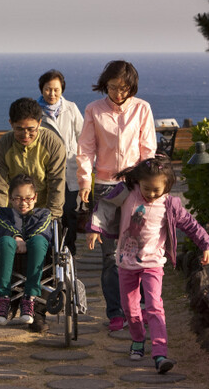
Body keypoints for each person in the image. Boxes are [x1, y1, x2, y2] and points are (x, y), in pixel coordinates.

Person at [86, 156, 209, 374]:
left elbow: (190, 224)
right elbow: (104, 205)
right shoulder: (127, 194)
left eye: (156, 190)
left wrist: (205, 243)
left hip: (153, 263)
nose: (151, 194)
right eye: (146, 188)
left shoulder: (170, 204)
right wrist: (95, 229)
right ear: (138, 182)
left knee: (154, 306)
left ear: (167, 186)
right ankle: (138, 339)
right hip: (126, 262)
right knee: (130, 309)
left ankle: (160, 353)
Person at [76, 60, 157, 331]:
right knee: (110, 255)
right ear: (104, 85)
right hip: (105, 186)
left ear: (131, 87)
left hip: (136, 186)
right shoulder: (93, 110)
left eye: (124, 89)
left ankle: (142, 307)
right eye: (112, 88)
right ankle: (115, 312)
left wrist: (147, 185)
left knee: (140, 248)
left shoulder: (142, 108)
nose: (118, 94)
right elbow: (86, 149)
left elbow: (148, 149)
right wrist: (85, 181)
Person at [0, 97, 66, 332]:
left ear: (40, 123)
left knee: (46, 252)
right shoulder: (3, 147)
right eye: (19, 129)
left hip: (43, 212)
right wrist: (8, 225)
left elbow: (57, 184)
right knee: (6, 245)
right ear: (11, 123)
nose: (26, 135)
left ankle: (38, 310)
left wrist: (48, 220)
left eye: (31, 129)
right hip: (11, 211)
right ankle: (8, 302)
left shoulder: (52, 144)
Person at [0, 174, 53, 326]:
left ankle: (30, 297)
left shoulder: (44, 214)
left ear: (35, 197)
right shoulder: (2, 213)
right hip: (9, 254)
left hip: (37, 254)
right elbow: (2, 227)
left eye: (28, 198)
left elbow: (43, 229)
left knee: (39, 240)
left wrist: (25, 241)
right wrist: (17, 237)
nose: (23, 203)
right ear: (10, 198)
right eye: (17, 198)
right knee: (6, 240)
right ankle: (3, 298)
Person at [38, 69, 84, 256]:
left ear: (62, 90)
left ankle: (68, 251)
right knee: (47, 212)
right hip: (45, 170)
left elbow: (83, 136)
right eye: (48, 89)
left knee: (68, 211)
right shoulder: (35, 111)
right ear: (42, 89)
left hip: (69, 170)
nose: (52, 94)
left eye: (56, 90)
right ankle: (50, 253)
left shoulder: (71, 108)